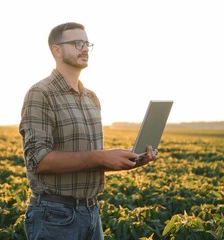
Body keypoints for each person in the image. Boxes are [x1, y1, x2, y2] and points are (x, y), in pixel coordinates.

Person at [19, 22, 156, 240]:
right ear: (56, 50)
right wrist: (101, 156)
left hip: (91, 213)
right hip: (55, 217)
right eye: (77, 43)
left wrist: (126, 160)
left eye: (87, 43)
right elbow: (39, 161)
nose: (84, 48)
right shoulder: (40, 93)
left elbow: (89, 161)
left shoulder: (91, 98)